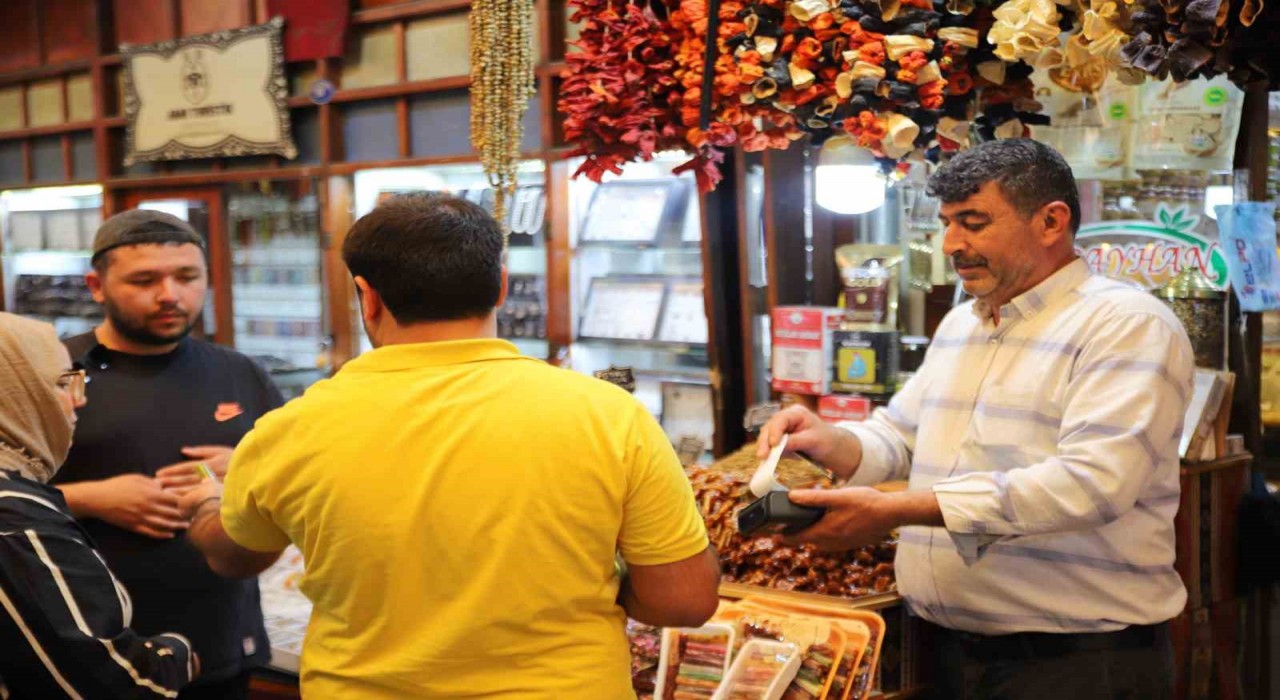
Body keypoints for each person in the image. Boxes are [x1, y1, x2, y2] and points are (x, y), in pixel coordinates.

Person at [177, 193, 721, 699]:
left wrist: (203, 504)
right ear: (502, 286)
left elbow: (237, 555)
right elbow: (685, 600)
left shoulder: (291, 429)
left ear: (367, 297)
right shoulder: (609, 414)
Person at [757, 139, 1192, 700]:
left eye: (974, 222)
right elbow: (898, 438)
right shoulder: (962, 323)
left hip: (1076, 663)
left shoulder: (1125, 325)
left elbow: (1091, 486)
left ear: (1051, 221)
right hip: (945, 650)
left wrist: (894, 511)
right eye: (947, 223)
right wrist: (828, 440)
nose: (952, 244)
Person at [50, 210, 284, 700]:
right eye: (145, 280)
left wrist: (245, 469)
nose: (170, 295)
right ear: (97, 285)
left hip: (220, 641)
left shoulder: (241, 373)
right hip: (87, 651)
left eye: (187, 277)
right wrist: (89, 498)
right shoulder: (49, 371)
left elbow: (293, 490)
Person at [0, 312, 198, 698]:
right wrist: (179, 652)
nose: (78, 401)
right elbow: (119, 687)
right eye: (60, 383)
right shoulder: (17, 518)